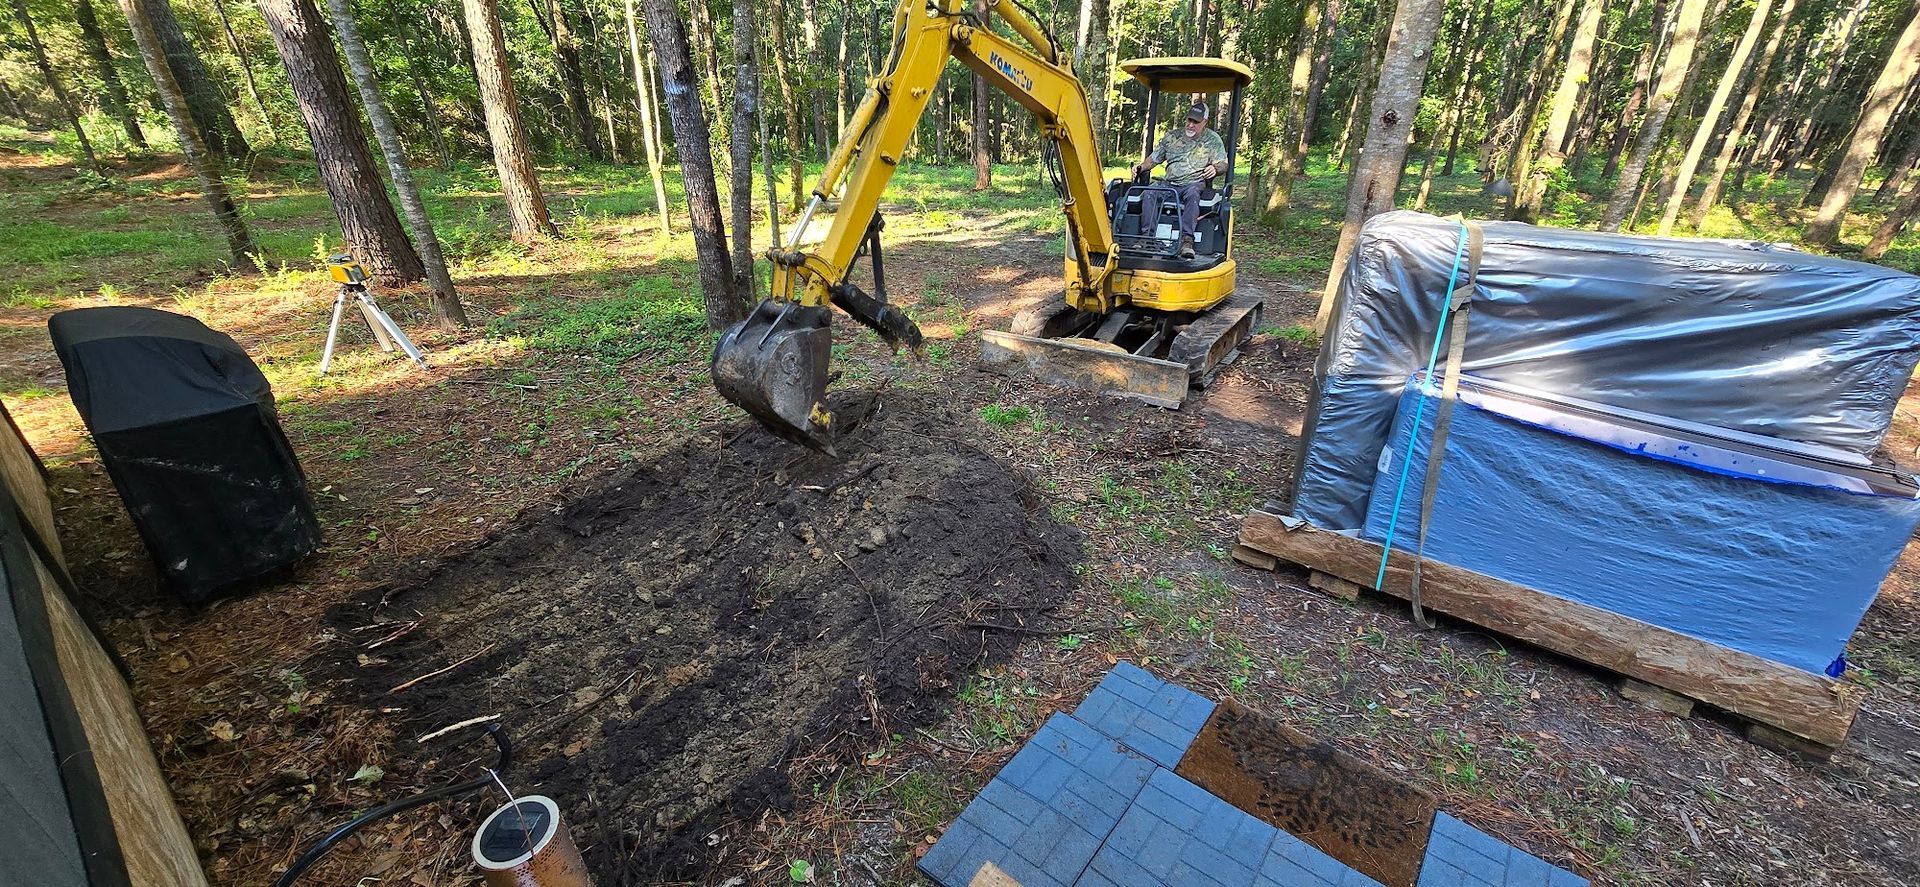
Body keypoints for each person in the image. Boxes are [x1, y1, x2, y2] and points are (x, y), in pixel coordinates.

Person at [1134, 102, 1227, 259]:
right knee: (1149, 192)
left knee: (1192, 194)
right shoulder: (1172, 137)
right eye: (1189, 120)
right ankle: (1147, 238)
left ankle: (1187, 241)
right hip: (1169, 184)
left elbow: (1223, 163)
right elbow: (1154, 159)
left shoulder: (1212, 140)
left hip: (1193, 183)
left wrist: (1216, 168)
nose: (1191, 125)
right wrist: (1141, 167)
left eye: (1196, 122)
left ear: (1205, 122)